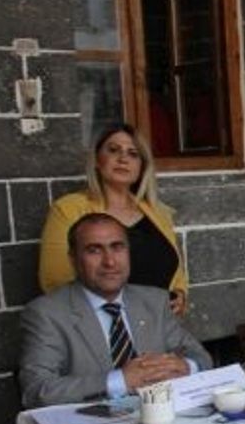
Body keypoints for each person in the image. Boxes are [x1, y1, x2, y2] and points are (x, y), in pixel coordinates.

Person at [20, 213, 212, 407]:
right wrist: (120, 381)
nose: (110, 262)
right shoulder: (46, 313)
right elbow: (37, 391)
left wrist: (186, 367)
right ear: (73, 259)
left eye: (117, 247)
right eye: (94, 250)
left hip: (161, 417)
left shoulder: (154, 301)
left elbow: (201, 357)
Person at [38, 124, 189, 315]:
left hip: (158, 324)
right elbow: (55, 280)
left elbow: (176, 270)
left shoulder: (158, 213)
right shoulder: (68, 209)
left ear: (142, 166)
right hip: (101, 325)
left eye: (133, 154)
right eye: (113, 150)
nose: (123, 158)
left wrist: (180, 294)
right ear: (97, 160)